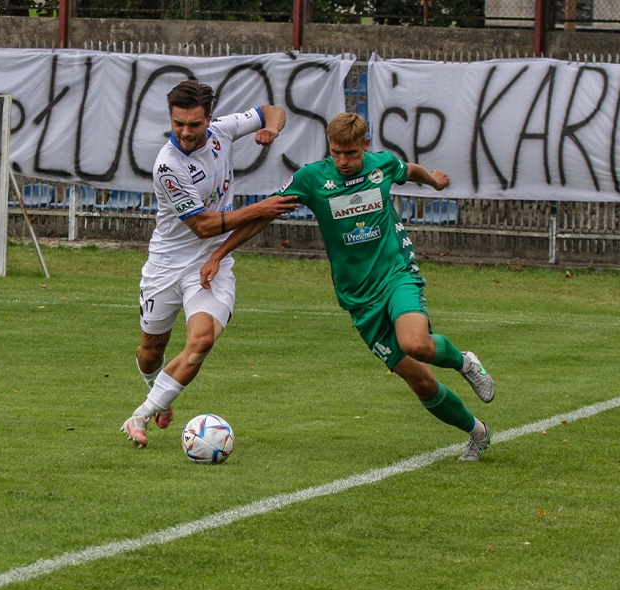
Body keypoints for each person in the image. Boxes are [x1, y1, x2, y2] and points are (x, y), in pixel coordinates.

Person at [201, 112, 495, 461]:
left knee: (415, 342)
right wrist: (219, 252)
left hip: (396, 273)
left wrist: (433, 181)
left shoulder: (381, 165)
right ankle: (477, 433)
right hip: (358, 298)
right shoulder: (312, 179)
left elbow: (409, 170)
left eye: (351, 153)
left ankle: (465, 362)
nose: (342, 160)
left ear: (365, 146)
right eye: (336, 152)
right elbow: (264, 215)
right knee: (422, 383)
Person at [121, 79, 298, 448]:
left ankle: (141, 415)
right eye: (178, 124)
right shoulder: (168, 166)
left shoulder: (223, 131)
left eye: (194, 125)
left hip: (212, 264)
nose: (185, 132)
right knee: (151, 349)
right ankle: (159, 393)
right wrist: (261, 208)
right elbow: (201, 225)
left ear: (209, 120)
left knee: (201, 340)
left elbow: (271, 109)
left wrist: (271, 128)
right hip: (167, 265)